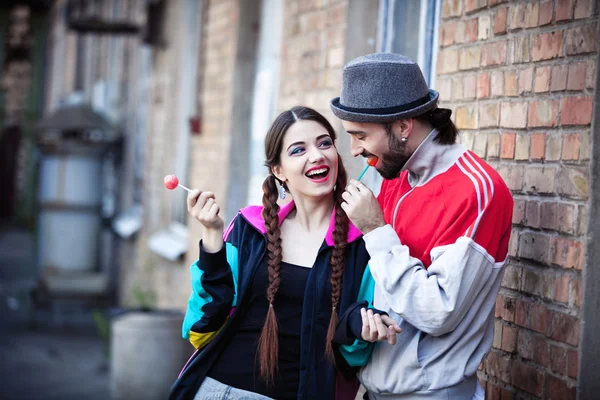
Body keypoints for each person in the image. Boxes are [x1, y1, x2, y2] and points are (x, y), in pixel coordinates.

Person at [169, 106, 400, 400]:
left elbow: (352, 353)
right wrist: (212, 232)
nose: (316, 155)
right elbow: (202, 327)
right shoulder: (249, 229)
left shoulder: (362, 241)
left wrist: (360, 324)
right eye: (298, 150)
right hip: (219, 389)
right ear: (279, 171)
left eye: (324, 143)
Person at [330, 53, 514, 399]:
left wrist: (375, 229)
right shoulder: (391, 174)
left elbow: (437, 311)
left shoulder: (475, 189)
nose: (354, 150)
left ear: (403, 126)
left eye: (361, 136)